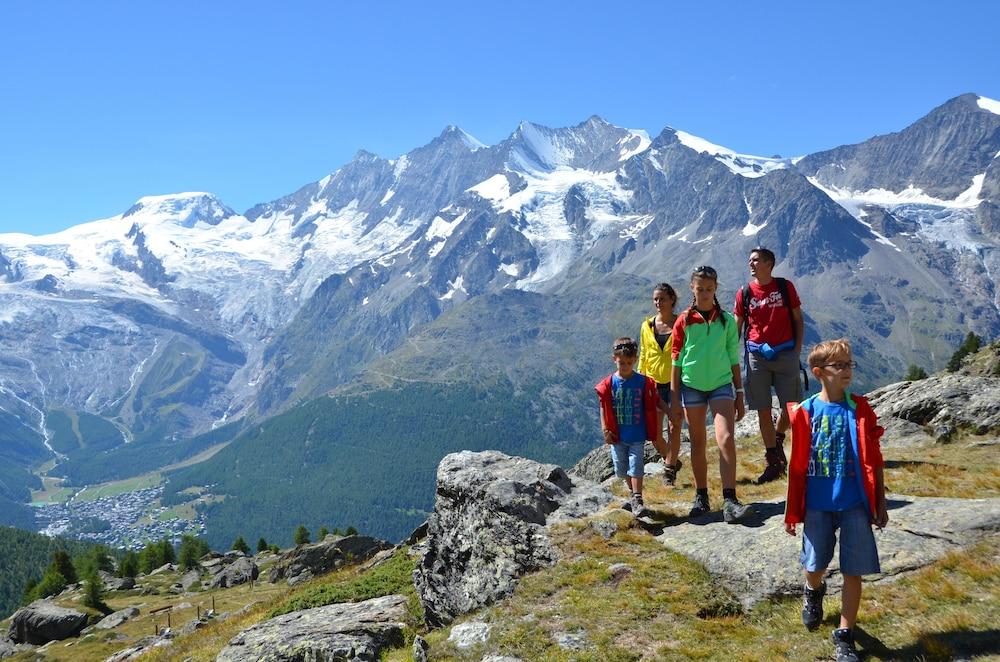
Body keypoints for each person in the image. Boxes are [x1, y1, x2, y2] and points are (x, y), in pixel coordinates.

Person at [784, 338, 888, 662]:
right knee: (813, 565)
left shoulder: (860, 408)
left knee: (852, 570)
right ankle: (813, 590)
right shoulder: (806, 411)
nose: (847, 371)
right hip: (817, 503)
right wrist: (791, 512)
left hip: (854, 503)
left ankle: (845, 634)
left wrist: (880, 501)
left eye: (849, 364)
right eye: (839, 365)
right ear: (818, 372)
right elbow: (796, 466)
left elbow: (875, 458)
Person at [670, 266, 754, 524]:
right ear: (692, 289)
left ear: (716, 288)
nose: (705, 294)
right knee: (697, 443)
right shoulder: (684, 321)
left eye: (709, 289)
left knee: (726, 438)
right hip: (691, 386)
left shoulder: (727, 321)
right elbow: (676, 360)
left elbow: (732, 357)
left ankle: (730, 499)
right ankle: (701, 496)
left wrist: (739, 392)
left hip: (721, 385)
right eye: (700, 289)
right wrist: (674, 399)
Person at [734, 246, 804, 484]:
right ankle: (773, 460)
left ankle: (778, 436)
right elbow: (737, 326)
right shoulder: (744, 292)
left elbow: (797, 319)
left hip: (785, 354)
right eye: (750, 260)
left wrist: (796, 351)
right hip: (757, 358)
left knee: (791, 407)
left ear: (768, 264)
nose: (750, 264)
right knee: (763, 408)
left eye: (755, 260)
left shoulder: (785, 287)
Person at [595, 337, 663, 517]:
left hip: (637, 435)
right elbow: (603, 407)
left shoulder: (642, 382)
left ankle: (638, 497)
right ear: (614, 360)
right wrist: (605, 430)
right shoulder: (609, 384)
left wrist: (670, 412)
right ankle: (633, 494)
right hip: (618, 436)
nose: (624, 366)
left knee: (636, 466)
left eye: (628, 362)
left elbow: (654, 400)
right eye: (621, 362)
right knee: (620, 468)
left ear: (635, 360)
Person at [637, 282, 683, 485]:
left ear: (672, 299)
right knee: (655, 435)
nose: (658, 302)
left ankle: (669, 471)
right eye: (655, 299)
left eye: (662, 298)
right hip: (653, 385)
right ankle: (671, 461)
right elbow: (644, 355)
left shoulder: (681, 324)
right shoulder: (647, 326)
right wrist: (640, 380)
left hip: (676, 385)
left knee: (674, 428)